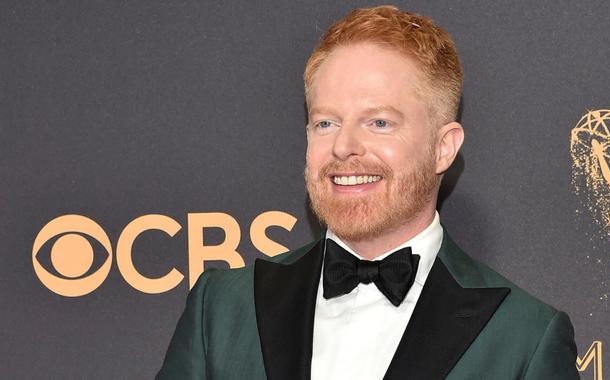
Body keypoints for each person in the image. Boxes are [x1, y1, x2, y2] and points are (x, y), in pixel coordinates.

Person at [156, 5, 579, 379]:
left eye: (379, 122)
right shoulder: (221, 309)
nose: (343, 146)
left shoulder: (524, 338)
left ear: (443, 147)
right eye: (326, 123)